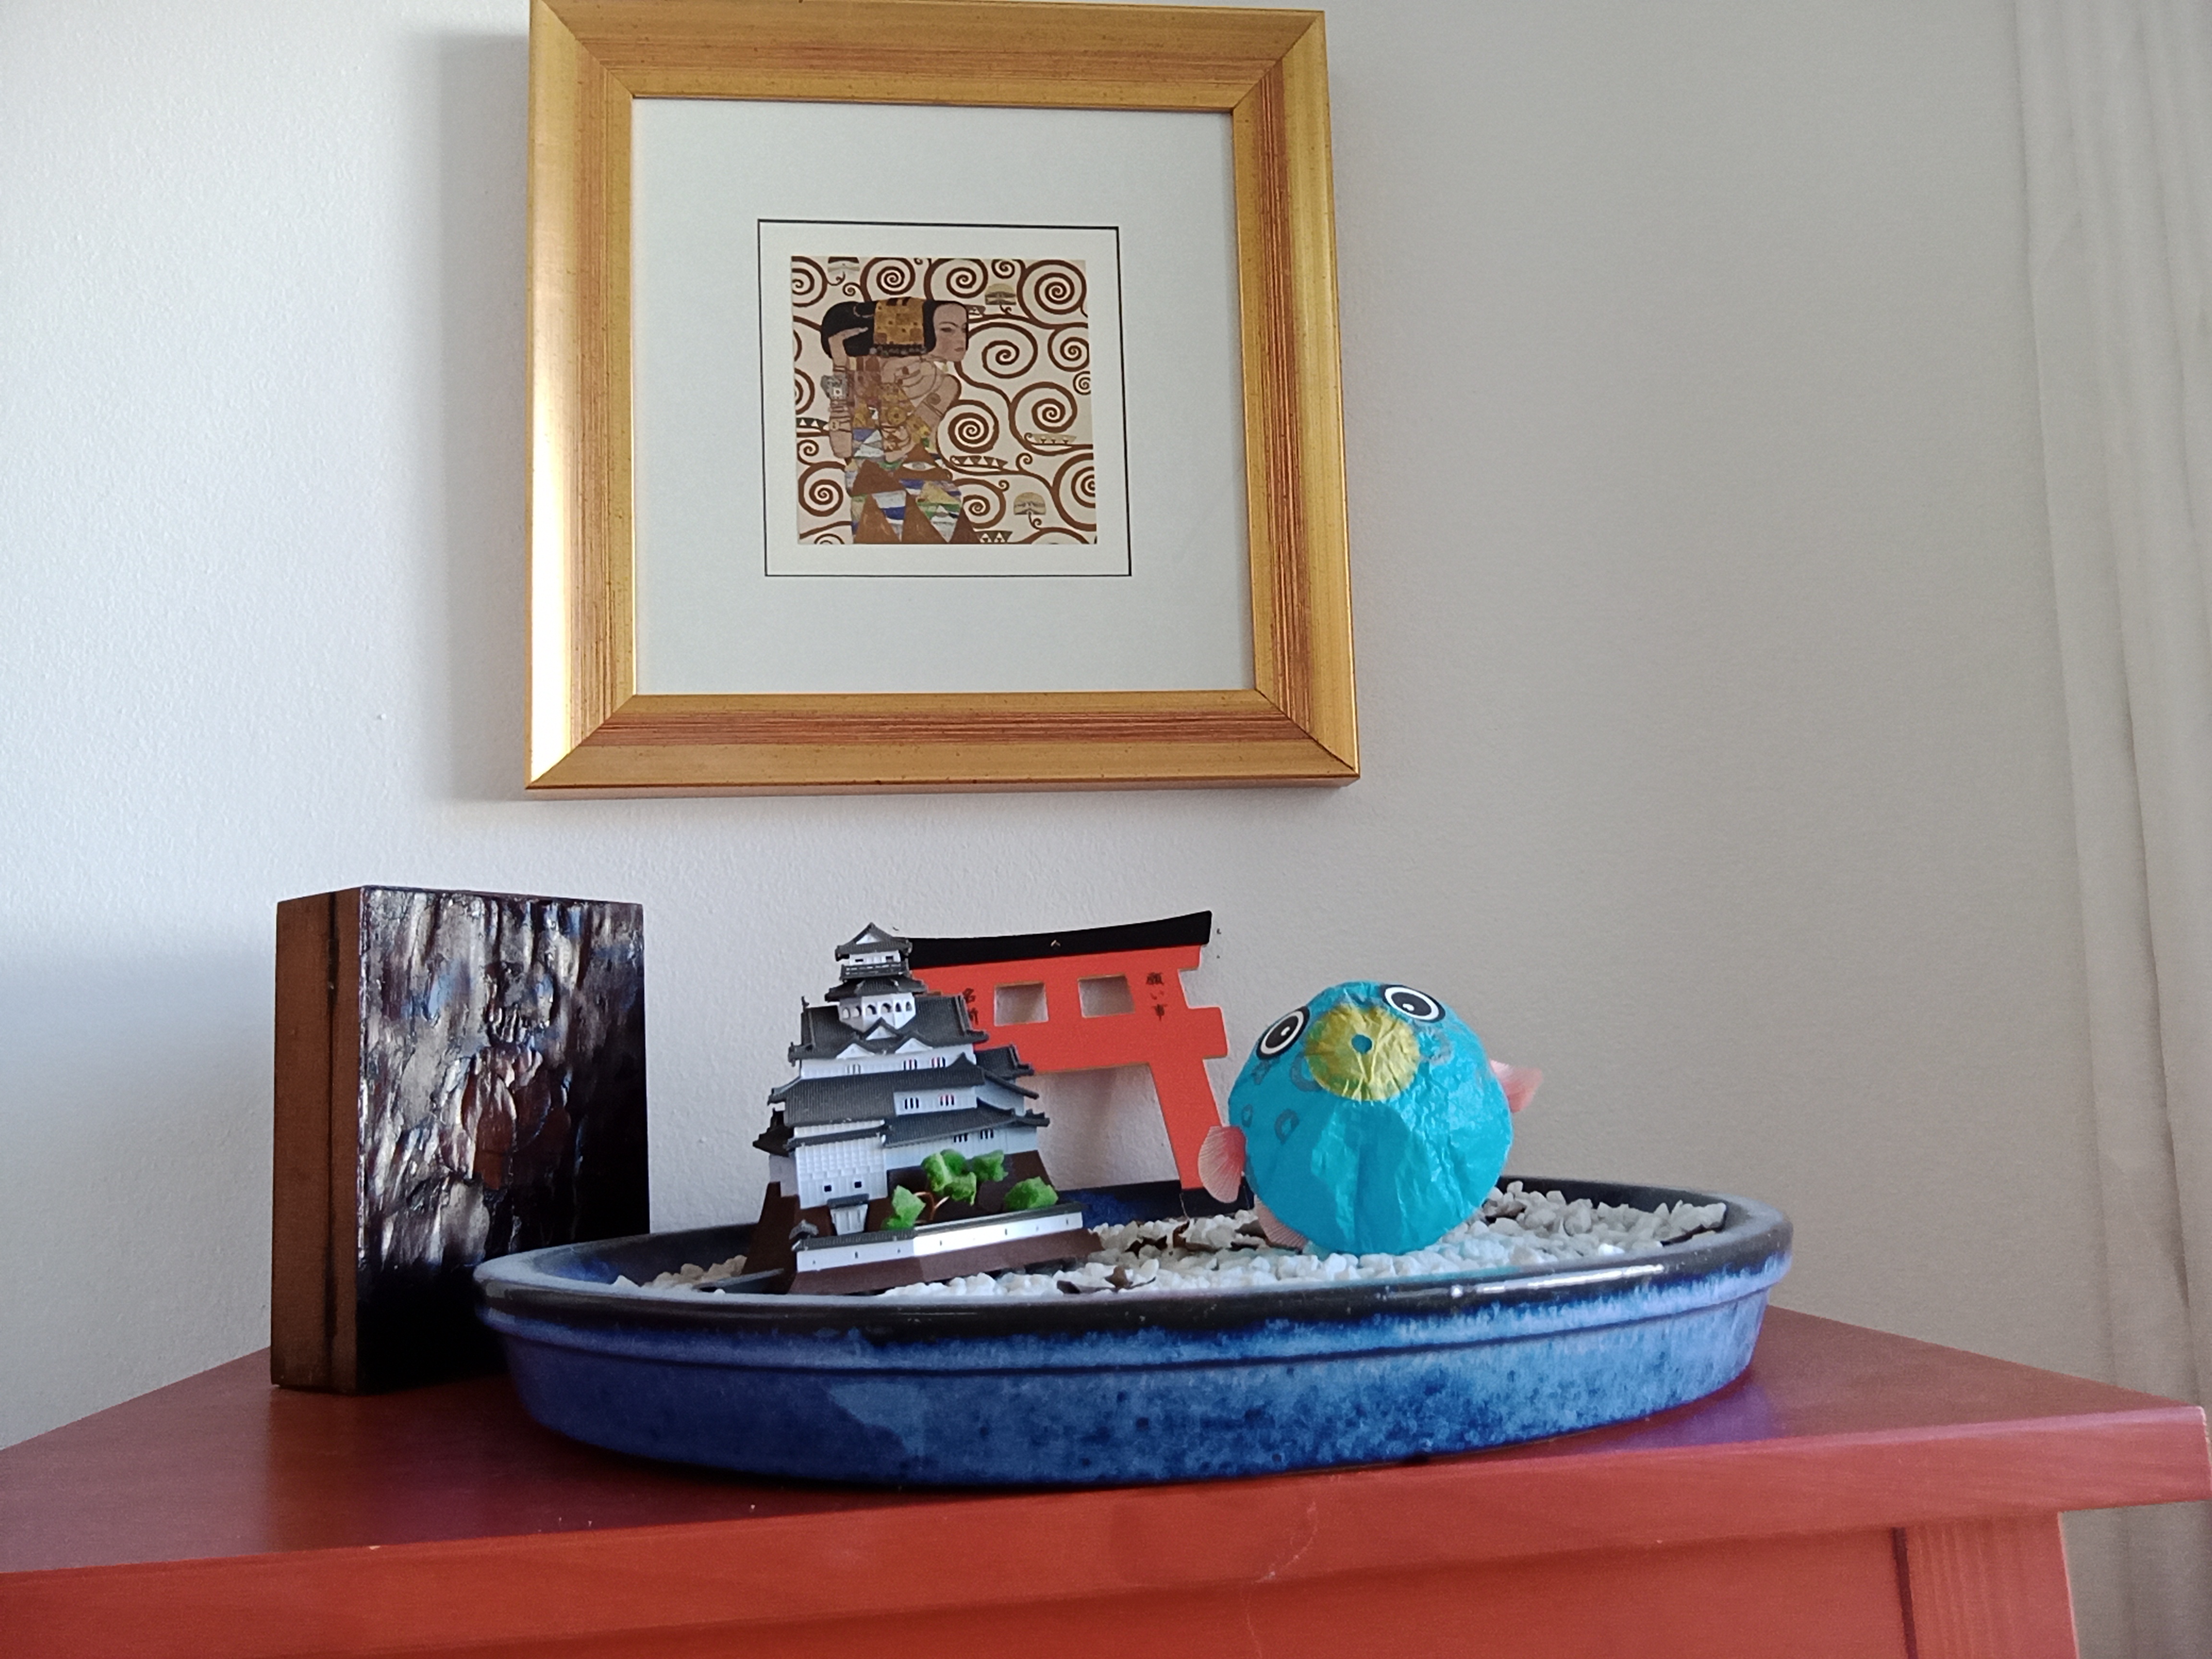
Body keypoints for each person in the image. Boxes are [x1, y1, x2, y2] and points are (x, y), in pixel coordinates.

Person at [818, 298, 977, 543]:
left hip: (932, 506)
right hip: (871, 506)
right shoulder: (862, 380)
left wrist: (890, 378)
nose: (961, 339)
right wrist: (839, 364)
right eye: (947, 329)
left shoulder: (944, 384)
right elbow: (841, 447)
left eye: (964, 329)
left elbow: (897, 449)